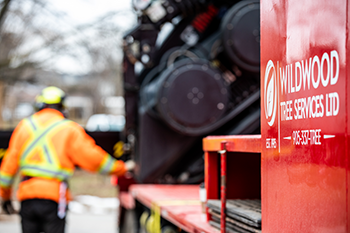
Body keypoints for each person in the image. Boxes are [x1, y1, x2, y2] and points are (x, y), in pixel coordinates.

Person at [0, 86, 135, 233]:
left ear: (39, 105)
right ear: (62, 107)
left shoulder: (24, 127)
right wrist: (121, 168)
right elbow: (94, 159)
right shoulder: (69, 129)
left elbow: (8, 168)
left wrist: (5, 196)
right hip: (54, 197)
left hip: (27, 196)